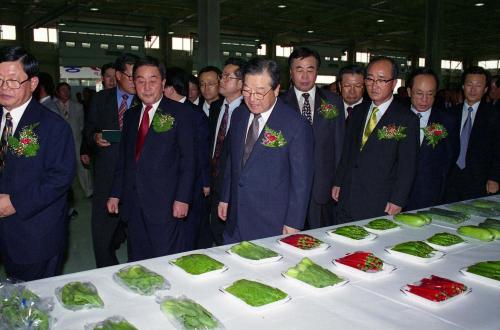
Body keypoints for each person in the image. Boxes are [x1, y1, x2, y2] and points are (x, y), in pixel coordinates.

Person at [107, 56, 195, 261]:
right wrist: (115, 193)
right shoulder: (130, 116)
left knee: (166, 259)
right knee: (137, 256)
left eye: (153, 80)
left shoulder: (180, 113)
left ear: (163, 83)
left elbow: (188, 160)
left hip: (166, 203)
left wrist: (182, 198)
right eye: (140, 81)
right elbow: (124, 160)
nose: (146, 87)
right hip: (133, 202)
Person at [218, 58, 313, 243]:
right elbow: (233, 159)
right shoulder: (239, 114)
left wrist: (294, 221)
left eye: (260, 92)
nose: (252, 98)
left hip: (272, 222)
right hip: (235, 217)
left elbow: (302, 180)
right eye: (247, 91)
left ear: (277, 89)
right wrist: (225, 197)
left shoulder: (295, 125)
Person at [0, 46, 75, 281]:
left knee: (35, 305)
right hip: (4, 233)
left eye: (13, 81)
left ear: (32, 84)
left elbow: (60, 178)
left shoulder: (53, 126)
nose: (4, 88)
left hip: (34, 233)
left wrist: (15, 203)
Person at [333, 56, 419, 222]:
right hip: (349, 194)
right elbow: (348, 152)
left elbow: (408, 165)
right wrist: (338, 181)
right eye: (370, 79)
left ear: (394, 83)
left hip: (379, 199)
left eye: (381, 80)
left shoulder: (406, 118)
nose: (374, 85)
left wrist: (398, 199)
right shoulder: (358, 111)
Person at [83, 52, 139, 267]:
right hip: (106, 174)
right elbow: (88, 130)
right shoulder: (101, 99)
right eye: (131, 76)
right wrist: (95, 137)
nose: (136, 82)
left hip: (134, 175)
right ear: (118, 75)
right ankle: (105, 269)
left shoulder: (144, 102)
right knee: (102, 230)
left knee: (134, 229)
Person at [281, 47, 344, 228]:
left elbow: (339, 145)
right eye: (299, 70)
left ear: (317, 72)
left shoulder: (333, 102)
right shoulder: (280, 103)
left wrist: (338, 182)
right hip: (288, 187)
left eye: (311, 70)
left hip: (323, 188)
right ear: (291, 73)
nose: (305, 76)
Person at [163, 66, 210, 251]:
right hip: (171, 181)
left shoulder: (194, 114)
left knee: (190, 228)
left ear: (171, 89)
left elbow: (202, 150)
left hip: (193, 182)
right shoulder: (166, 112)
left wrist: (206, 182)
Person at [204, 57, 245, 247]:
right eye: (223, 76)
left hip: (233, 184)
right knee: (214, 229)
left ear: (241, 83)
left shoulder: (246, 112)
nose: (222, 80)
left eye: (228, 77)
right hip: (213, 180)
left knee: (229, 236)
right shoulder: (216, 108)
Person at [405, 68, 458, 210]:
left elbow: (450, 157)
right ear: (409, 92)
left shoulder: (447, 121)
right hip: (396, 194)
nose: (424, 100)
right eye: (419, 93)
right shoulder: (396, 118)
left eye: (430, 94)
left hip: (430, 194)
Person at [445, 66, 500, 202]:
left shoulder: (494, 115)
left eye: (478, 85)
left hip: (480, 180)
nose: (473, 89)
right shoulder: (449, 114)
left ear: (485, 89)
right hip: (451, 178)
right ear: (463, 86)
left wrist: (494, 178)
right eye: (469, 84)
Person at [56, 82, 93, 198]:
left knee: (82, 168)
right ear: (57, 92)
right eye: (63, 90)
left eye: (67, 90)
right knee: (61, 169)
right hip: (59, 144)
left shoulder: (78, 106)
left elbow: (82, 125)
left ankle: (89, 191)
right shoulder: (53, 107)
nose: (66, 92)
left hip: (77, 141)